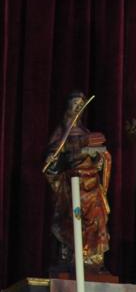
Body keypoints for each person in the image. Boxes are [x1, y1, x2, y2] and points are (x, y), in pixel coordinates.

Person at [42, 91, 112, 268]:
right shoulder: (62, 132)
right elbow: (54, 157)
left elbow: (97, 160)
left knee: (98, 212)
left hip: (91, 181)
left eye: (81, 105)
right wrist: (54, 158)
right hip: (72, 180)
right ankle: (73, 252)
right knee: (74, 214)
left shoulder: (86, 132)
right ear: (68, 108)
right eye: (75, 104)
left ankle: (92, 256)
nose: (78, 108)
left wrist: (100, 157)